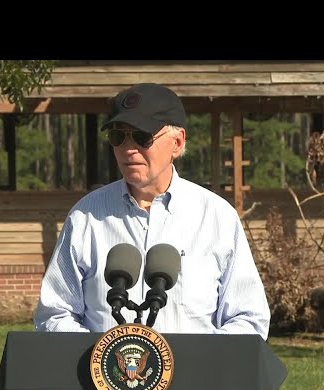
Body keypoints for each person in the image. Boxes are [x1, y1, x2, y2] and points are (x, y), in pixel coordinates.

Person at [33, 83, 270, 338]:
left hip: (196, 377)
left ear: (177, 142)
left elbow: (248, 319)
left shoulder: (217, 217)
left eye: (142, 136)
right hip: (101, 376)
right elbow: (55, 313)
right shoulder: (85, 217)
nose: (128, 148)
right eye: (118, 136)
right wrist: (102, 360)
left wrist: (197, 363)